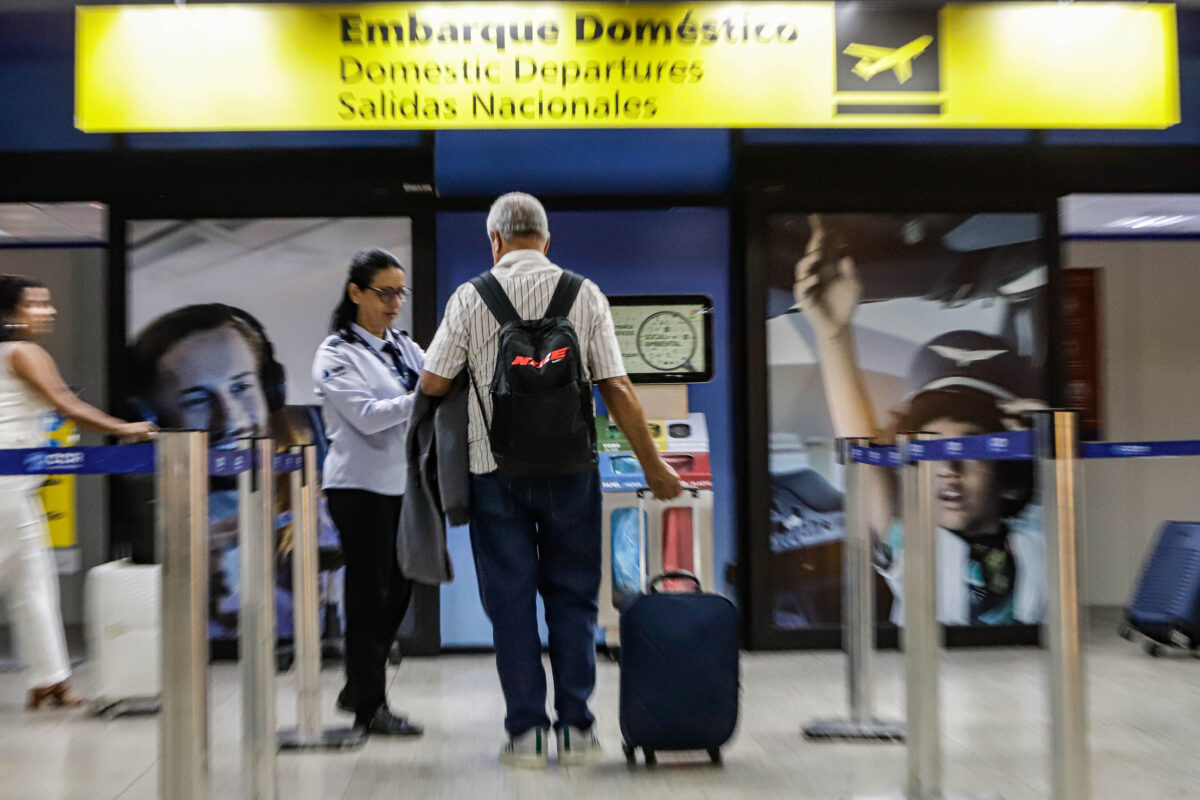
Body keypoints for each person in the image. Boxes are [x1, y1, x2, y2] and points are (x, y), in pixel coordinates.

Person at [420, 192, 683, 768]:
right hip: (571, 473)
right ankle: (577, 729)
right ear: (547, 238)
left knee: (510, 605)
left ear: (494, 240)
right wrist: (653, 465)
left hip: (494, 475)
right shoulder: (584, 293)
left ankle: (526, 734)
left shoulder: (470, 296)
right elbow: (617, 388)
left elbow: (434, 381)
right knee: (573, 600)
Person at [792, 215, 1043, 626]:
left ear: (1007, 471)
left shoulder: (1043, 535)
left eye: (972, 447)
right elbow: (862, 448)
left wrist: (1045, 441)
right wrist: (833, 335)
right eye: (931, 447)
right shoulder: (908, 542)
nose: (948, 468)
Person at [128, 303, 339, 641]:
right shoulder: (166, 522)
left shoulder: (323, 481)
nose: (229, 418)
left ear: (269, 390)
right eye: (197, 400)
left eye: (241, 388)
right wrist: (189, 574)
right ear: (156, 418)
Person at [0, 274, 156, 709]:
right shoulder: (24, 352)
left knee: (33, 582)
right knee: (28, 580)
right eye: (35, 303)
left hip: (15, 487)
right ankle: (51, 680)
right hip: (6, 487)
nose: (47, 311)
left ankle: (49, 680)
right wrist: (123, 428)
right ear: (11, 313)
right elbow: (65, 404)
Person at [311, 249, 424, 737]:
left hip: (404, 486)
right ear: (356, 293)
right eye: (384, 292)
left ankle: (358, 684)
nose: (394, 302)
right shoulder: (336, 353)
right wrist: (429, 394)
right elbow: (369, 416)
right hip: (358, 488)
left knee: (400, 589)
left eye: (400, 292)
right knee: (368, 596)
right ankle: (369, 706)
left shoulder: (406, 347)